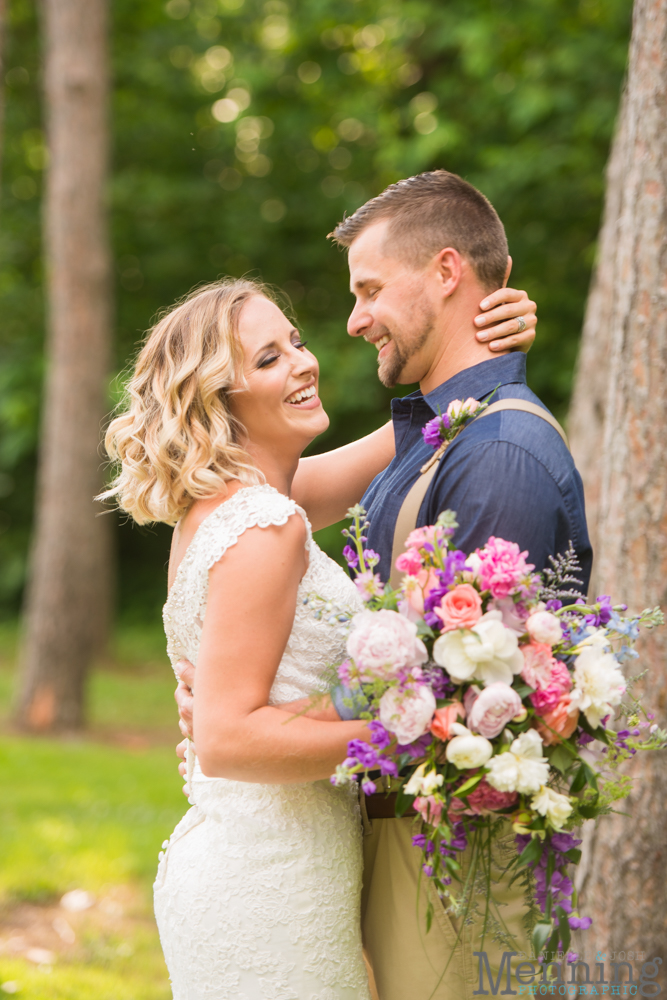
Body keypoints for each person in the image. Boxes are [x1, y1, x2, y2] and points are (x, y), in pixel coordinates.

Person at [174, 170, 591, 1000]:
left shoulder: (489, 453)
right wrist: (246, 716)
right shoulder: (268, 511)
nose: (344, 327)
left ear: (444, 273)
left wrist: (481, 375)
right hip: (307, 860)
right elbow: (263, 517)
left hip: (404, 860)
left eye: (367, 291)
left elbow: (454, 682)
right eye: (271, 353)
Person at [103, 266, 533, 1000]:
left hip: (269, 864)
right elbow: (228, 740)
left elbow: (411, 439)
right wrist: (420, 730)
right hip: (269, 885)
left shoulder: (248, 503)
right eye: (268, 359)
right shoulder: (262, 528)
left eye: (295, 342)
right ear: (218, 398)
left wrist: (482, 350)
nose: (303, 363)